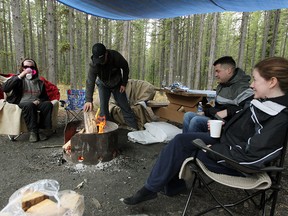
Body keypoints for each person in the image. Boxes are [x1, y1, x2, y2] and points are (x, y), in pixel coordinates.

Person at [123, 57, 288, 205]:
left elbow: (251, 157)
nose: (251, 84)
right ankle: (168, 187)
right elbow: (244, 125)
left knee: (181, 150)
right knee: (181, 140)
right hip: (225, 143)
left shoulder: (278, 118)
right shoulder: (263, 103)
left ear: (272, 82)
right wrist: (223, 125)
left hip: (233, 162)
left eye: (256, 80)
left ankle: (152, 189)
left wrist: (211, 150)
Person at [183, 56, 254, 133]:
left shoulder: (242, 87)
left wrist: (228, 111)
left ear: (228, 70)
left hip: (229, 125)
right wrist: (206, 112)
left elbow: (250, 109)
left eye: (218, 71)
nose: (216, 75)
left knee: (196, 121)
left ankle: (191, 143)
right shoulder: (222, 85)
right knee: (188, 115)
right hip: (217, 119)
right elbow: (218, 108)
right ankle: (185, 142)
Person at [83, 43, 138, 130]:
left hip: (117, 84)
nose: (100, 63)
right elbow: (90, 81)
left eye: (102, 60)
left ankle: (134, 129)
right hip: (103, 85)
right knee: (103, 109)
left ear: (106, 54)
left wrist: (124, 83)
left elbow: (125, 67)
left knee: (125, 106)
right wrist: (88, 100)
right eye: (98, 61)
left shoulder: (115, 57)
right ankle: (105, 130)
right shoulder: (94, 64)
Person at [3, 58, 53, 142]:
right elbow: (5, 88)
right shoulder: (18, 79)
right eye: (26, 66)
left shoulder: (40, 82)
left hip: (35, 102)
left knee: (48, 104)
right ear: (22, 68)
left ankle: (41, 130)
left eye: (31, 67)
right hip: (21, 102)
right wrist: (20, 75)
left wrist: (39, 101)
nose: (28, 68)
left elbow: (45, 97)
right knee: (29, 105)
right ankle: (33, 132)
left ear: (34, 69)